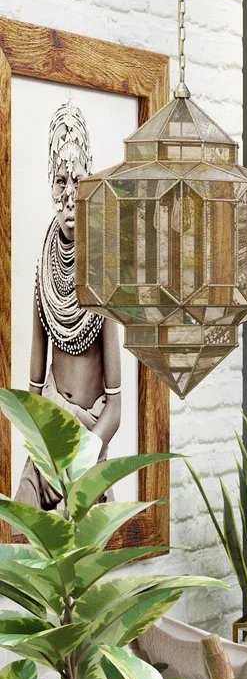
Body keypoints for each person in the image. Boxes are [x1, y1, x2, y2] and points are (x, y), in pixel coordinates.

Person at [19, 102, 122, 508]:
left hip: (87, 452)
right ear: (50, 184)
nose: (68, 194)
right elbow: (32, 391)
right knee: (17, 547)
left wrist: (82, 454)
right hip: (48, 443)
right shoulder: (44, 271)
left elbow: (115, 407)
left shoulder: (101, 277)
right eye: (60, 180)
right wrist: (47, 448)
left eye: (77, 180)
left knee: (80, 562)